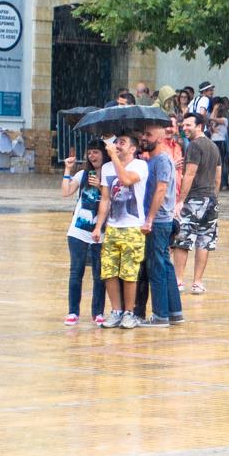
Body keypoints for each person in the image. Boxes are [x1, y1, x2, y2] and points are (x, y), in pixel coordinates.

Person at [94, 127, 148, 330]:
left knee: (129, 272)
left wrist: (112, 158)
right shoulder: (108, 168)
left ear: (133, 148)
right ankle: (116, 310)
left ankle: (129, 312)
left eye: (122, 142)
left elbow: (125, 180)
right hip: (113, 227)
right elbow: (105, 199)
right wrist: (99, 226)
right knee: (108, 271)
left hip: (133, 227)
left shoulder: (140, 165)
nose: (117, 145)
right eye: (116, 142)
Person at [172, 112, 221, 295]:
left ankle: (178, 280)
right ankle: (198, 282)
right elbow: (218, 177)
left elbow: (190, 174)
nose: (184, 129)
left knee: (182, 239)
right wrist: (213, 197)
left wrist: (181, 200)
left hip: (194, 199)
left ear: (199, 126)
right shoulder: (214, 146)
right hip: (210, 200)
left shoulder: (194, 145)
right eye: (183, 125)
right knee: (204, 240)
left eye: (188, 125)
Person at [140, 121, 183, 326]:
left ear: (159, 138)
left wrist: (149, 218)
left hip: (159, 221)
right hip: (159, 220)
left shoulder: (163, 160)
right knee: (165, 265)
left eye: (148, 135)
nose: (143, 138)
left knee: (156, 267)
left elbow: (161, 189)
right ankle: (174, 312)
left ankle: (160, 315)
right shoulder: (152, 160)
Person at [61, 142, 108, 326]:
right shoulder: (83, 175)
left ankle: (98, 312)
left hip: (100, 232)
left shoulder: (111, 175)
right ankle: (73, 312)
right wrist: (67, 169)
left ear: (104, 154)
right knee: (76, 272)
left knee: (99, 274)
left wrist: (101, 187)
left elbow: (112, 199)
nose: (92, 156)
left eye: (96, 152)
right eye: (89, 153)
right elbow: (65, 192)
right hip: (78, 231)